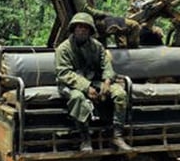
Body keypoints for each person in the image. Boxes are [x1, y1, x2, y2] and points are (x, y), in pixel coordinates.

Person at [56, 12, 132, 153]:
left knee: (120, 93)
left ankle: (117, 135)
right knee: (77, 98)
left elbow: (106, 66)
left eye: (86, 27)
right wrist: (86, 87)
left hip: (94, 80)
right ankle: (85, 138)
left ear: (91, 30)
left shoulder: (97, 46)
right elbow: (64, 73)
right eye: (79, 26)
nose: (82, 29)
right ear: (73, 29)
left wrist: (107, 81)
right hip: (71, 84)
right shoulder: (64, 49)